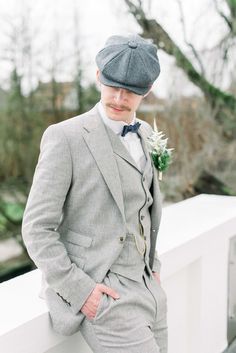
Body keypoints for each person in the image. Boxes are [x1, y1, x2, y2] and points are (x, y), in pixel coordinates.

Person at [21, 34, 168, 353]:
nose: (118, 97)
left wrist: (153, 267)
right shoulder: (65, 137)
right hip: (104, 293)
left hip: (149, 291)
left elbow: (144, 210)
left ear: (148, 90)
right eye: (113, 85)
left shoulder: (145, 134)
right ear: (99, 76)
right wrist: (82, 291)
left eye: (131, 91)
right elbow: (36, 229)